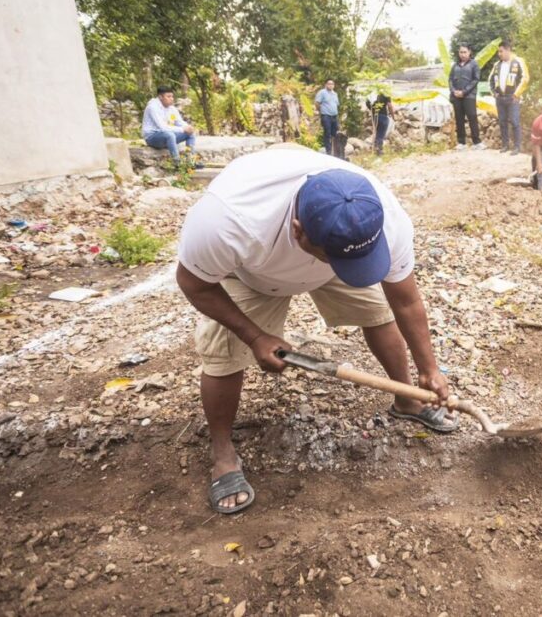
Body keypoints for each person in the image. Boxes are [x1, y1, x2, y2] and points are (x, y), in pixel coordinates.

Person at [176, 147, 456, 514]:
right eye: (343, 259)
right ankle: (223, 452)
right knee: (224, 357)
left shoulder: (381, 217)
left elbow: (405, 301)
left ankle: (407, 399)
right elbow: (194, 284)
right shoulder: (229, 221)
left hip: (331, 255)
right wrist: (255, 336)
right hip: (253, 271)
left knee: (380, 313)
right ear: (299, 232)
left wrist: (429, 370)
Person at [141, 86, 200, 169]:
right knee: (170, 135)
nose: (172, 99)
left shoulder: (171, 108)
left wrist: (188, 127)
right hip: (152, 137)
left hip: (166, 136)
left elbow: (179, 122)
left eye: (172, 96)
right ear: (160, 97)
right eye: (168, 96)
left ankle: (191, 162)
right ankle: (177, 163)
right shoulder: (152, 107)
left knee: (190, 134)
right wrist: (183, 129)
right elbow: (163, 127)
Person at [488, 40, 530, 155]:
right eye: (499, 52)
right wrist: (494, 93)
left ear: (508, 50)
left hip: (512, 98)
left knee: (515, 122)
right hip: (500, 98)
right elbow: (490, 80)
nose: (499, 54)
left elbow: (525, 78)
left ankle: (517, 147)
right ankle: (505, 145)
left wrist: (517, 94)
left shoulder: (518, 61)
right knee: (502, 122)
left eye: (501, 51)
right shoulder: (497, 65)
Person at [449, 45, 483, 150]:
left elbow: (475, 80)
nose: (462, 54)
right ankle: (461, 142)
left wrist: (464, 91)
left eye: (464, 52)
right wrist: (454, 91)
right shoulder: (455, 65)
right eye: (461, 52)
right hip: (456, 96)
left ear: (469, 52)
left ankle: (477, 142)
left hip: (469, 96)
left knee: (472, 117)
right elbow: (450, 80)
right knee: (459, 119)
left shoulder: (474, 64)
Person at [314, 79, 340, 155]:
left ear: (334, 86)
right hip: (326, 115)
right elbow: (317, 102)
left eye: (332, 84)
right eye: (329, 84)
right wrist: (321, 110)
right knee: (327, 133)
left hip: (334, 116)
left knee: (334, 133)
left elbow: (336, 104)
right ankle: (328, 151)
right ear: (326, 84)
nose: (330, 85)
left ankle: (334, 150)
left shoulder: (335, 94)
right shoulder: (322, 92)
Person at [368, 90, 394, 156]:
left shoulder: (372, 93)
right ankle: (379, 150)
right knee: (381, 134)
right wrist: (393, 116)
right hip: (383, 116)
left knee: (377, 133)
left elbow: (367, 103)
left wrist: (373, 110)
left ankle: (375, 148)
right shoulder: (386, 93)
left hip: (375, 116)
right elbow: (389, 106)